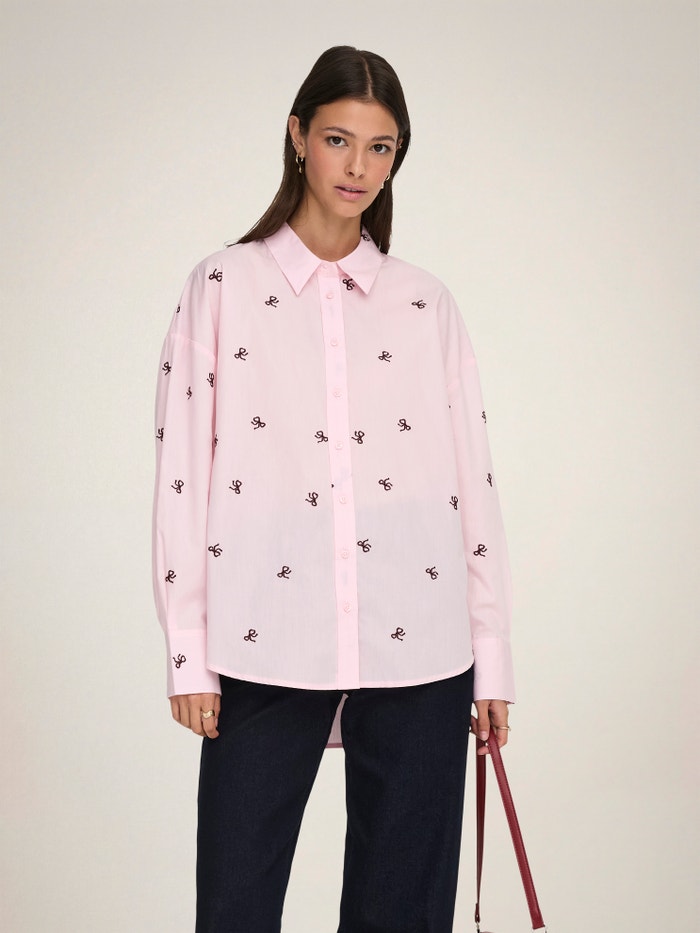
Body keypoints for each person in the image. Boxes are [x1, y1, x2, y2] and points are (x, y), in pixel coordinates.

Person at [153, 45, 515, 933]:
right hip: (265, 638)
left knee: (404, 913)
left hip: (422, 649)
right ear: (298, 137)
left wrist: (491, 655)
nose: (358, 166)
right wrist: (189, 650)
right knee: (235, 904)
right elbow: (181, 475)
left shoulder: (426, 303)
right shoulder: (222, 286)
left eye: (380, 147)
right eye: (338, 139)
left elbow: (472, 483)